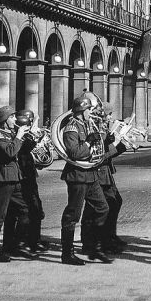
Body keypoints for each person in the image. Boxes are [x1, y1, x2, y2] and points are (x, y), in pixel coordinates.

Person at [59, 96, 122, 265]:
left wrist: (104, 141)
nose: (91, 113)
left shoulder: (87, 124)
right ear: (81, 111)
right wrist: (88, 143)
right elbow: (75, 153)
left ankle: (94, 246)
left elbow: (97, 147)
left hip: (91, 174)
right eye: (88, 110)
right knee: (73, 215)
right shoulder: (71, 127)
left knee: (102, 208)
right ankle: (67, 253)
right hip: (77, 176)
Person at [81, 99, 127, 255]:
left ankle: (108, 237)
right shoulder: (96, 130)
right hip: (98, 173)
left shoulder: (103, 129)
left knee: (113, 203)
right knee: (96, 208)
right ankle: (94, 241)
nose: (110, 118)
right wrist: (117, 144)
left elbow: (108, 153)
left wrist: (120, 144)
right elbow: (100, 155)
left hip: (105, 172)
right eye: (108, 115)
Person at [0, 105, 30, 262]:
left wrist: (31, 139)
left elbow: (20, 150)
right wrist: (18, 136)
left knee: (25, 212)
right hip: (3, 178)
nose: (15, 119)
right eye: (11, 117)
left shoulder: (10, 133)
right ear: (4, 120)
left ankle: (12, 245)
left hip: (15, 177)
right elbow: (10, 152)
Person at [13, 108, 47, 257]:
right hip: (21, 177)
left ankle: (34, 239)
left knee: (36, 208)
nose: (31, 124)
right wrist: (33, 138)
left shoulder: (25, 136)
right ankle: (21, 243)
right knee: (26, 210)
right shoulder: (17, 137)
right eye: (29, 122)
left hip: (30, 175)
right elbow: (23, 151)